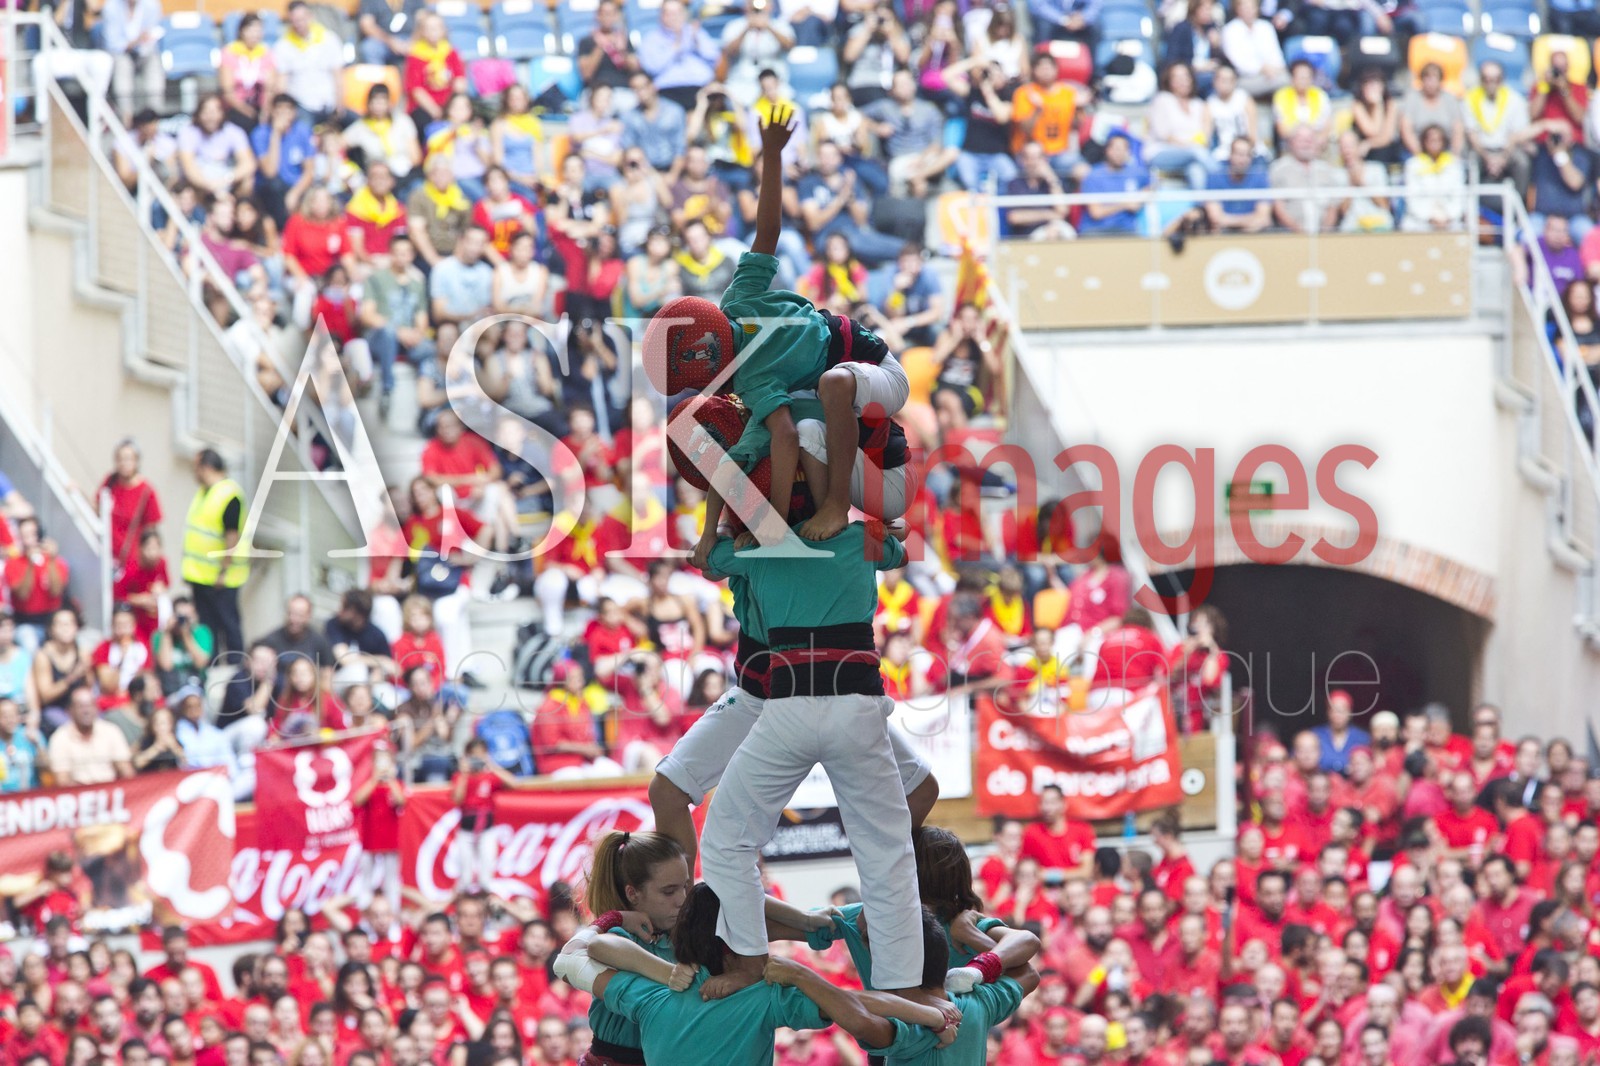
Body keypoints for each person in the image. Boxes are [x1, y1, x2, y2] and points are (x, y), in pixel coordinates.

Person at [700, 518, 926, 993]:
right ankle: (905, 992)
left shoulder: (760, 547)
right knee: (888, 855)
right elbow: (901, 549)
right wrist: (882, 527)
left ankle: (748, 966)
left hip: (790, 708)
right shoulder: (861, 538)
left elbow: (704, 560)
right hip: (858, 707)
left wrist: (729, 528)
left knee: (725, 840)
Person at [181, 448, 248, 658]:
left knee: (228, 625)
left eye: (196, 467)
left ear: (206, 467)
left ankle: (236, 665)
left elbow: (231, 536)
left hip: (221, 579)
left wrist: (223, 571)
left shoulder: (229, 495)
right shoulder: (205, 492)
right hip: (202, 576)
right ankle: (212, 665)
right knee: (208, 627)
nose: (194, 472)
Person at [1466, 61, 1531, 196]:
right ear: (1481, 80)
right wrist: (1487, 158)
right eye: (1486, 79)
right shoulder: (1470, 99)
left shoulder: (1515, 100)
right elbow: (1472, 135)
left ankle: (1519, 202)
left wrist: (1502, 158)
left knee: (1522, 162)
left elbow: (1515, 136)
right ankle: (1469, 204)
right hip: (1481, 150)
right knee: (1470, 163)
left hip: (1507, 149)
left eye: (1495, 80)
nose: (1491, 84)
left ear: (1502, 80)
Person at [1146, 62, 1215, 190]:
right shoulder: (1162, 100)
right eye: (1177, 77)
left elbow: (1205, 137)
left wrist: (1196, 145)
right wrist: (1190, 146)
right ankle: (1224, 180)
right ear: (1169, 81)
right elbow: (1164, 135)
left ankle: (1203, 203)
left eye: (1185, 76)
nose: (1183, 81)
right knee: (1197, 152)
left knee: (1195, 170)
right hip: (1161, 152)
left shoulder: (1198, 105)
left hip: (1193, 155)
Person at [272, 1, 344, 123]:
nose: (299, 24)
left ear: (310, 16)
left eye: (302, 19)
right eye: (295, 20)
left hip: (329, 103)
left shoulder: (329, 39)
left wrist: (340, 103)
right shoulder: (283, 46)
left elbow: (338, 76)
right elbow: (281, 85)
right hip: (302, 106)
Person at [47, 689, 134, 786]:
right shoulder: (60, 738)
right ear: (70, 711)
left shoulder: (111, 731)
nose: (86, 711)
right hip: (78, 792)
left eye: (90, 705)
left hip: (110, 789)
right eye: (81, 706)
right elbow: (62, 781)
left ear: (97, 708)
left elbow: (126, 771)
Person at [1271, 125, 1346, 234]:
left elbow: (1333, 206)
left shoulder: (1327, 170)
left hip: (1324, 235)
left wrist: (1324, 233)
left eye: (1310, 140)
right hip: (1289, 235)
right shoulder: (1279, 169)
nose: (1306, 143)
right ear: (1291, 143)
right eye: (1301, 140)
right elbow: (1278, 206)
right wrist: (1299, 232)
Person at [1076, 131, 1150, 237]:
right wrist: (1125, 204)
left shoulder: (1136, 173)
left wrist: (1141, 196)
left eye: (1124, 149)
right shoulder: (1094, 176)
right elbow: (1096, 213)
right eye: (1116, 149)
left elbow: (1152, 184)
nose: (1120, 153)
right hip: (1096, 231)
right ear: (1107, 150)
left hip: (1127, 231)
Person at [1206, 135, 1272, 232]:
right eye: (1239, 154)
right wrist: (1250, 220)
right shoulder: (1215, 177)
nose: (1242, 160)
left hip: (1252, 235)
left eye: (1247, 155)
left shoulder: (1260, 177)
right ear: (1230, 155)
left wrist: (1229, 222)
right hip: (1223, 236)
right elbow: (1215, 218)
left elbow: (1264, 218)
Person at [1222, 0, 1288, 98]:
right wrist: (1262, 69)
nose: (1249, 11)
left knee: (1288, 79)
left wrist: (1274, 68)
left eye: (1252, 7)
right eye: (1245, 8)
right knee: (1284, 81)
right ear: (1237, 9)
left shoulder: (1266, 27)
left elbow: (1277, 56)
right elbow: (1239, 62)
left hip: (1273, 73)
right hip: (1245, 77)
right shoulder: (1230, 30)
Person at [1400, 63, 1465, 157]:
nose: (1431, 82)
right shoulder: (1412, 98)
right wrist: (1421, 156)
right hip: (1416, 152)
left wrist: (1453, 155)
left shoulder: (1450, 99)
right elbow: (1406, 129)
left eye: (1435, 78)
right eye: (1428, 78)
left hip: (1445, 152)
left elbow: (1458, 130)